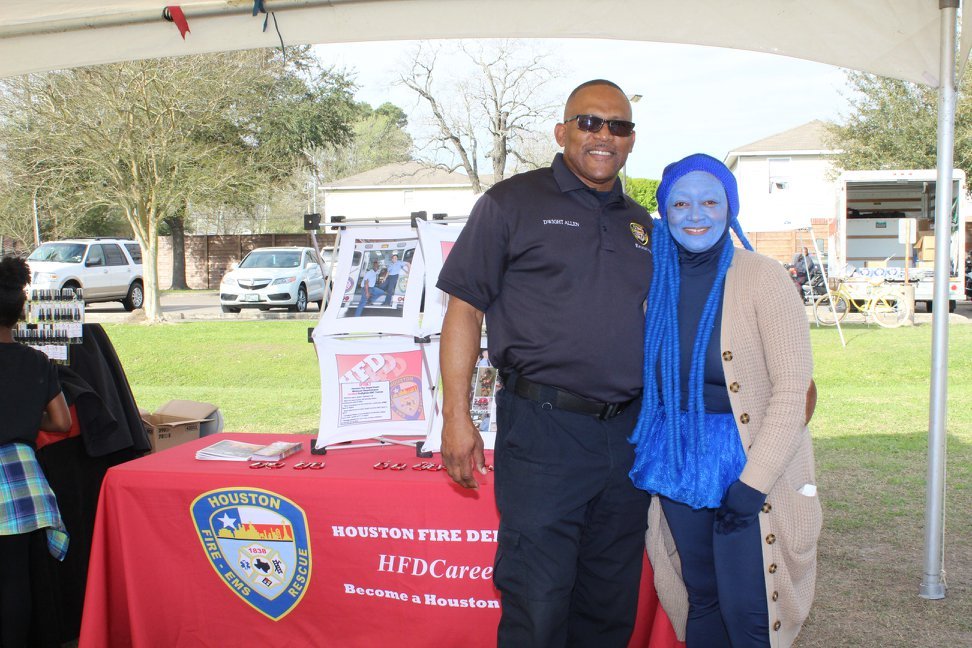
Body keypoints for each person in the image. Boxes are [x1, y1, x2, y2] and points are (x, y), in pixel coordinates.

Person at [436, 79, 653, 647]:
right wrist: (455, 418)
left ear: (631, 140)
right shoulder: (511, 203)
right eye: (590, 122)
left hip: (627, 436)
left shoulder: (641, 224)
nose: (604, 135)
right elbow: (464, 310)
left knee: (608, 606)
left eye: (619, 126)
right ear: (562, 132)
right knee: (538, 604)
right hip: (543, 433)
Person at [629, 154, 821, 647]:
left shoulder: (764, 277)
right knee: (703, 596)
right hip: (680, 457)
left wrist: (753, 484)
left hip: (750, 461)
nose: (696, 214)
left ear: (729, 208)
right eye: (681, 204)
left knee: (750, 608)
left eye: (710, 201)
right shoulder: (653, 281)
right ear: (664, 212)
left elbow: (792, 389)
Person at [0, 257, 72, 648]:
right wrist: (25, 419)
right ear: (20, 313)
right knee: (16, 583)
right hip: (23, 487)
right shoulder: (37, 360)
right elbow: (61, 422)